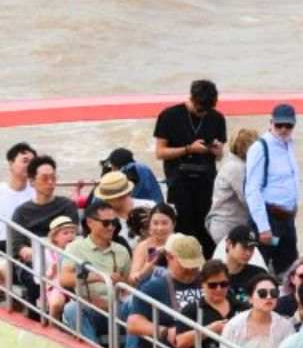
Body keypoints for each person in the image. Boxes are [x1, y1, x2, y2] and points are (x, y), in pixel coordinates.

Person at [153, 80, 226, 256]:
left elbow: (220, 155)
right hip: (179, 183)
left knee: (207, 231)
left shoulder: (216, 118)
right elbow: (160, 152)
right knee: (184, 231)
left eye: (207, 111)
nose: (203, 114)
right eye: (200, 110)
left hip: (207, 182)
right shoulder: (169, 115)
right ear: (191, 99)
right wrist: (188, 149)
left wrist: (217, 150)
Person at [125, 233, 206, 348]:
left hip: (207, 346)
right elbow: (133, 323)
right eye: (185, 265)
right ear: (169, 257)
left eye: (194, 265)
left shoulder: (209, 282)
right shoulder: (153, 287)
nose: (190, 270)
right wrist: (164, 331)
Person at [173, 259, 245, 348]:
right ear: (203, 285)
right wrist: (210, 330)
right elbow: (180, 342)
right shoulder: (192, 310)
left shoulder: (242, 308)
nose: (219, 289)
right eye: (212, 285)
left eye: (223, 284)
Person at [59, 202, 130, 343]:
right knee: (72, 309)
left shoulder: (122, 250)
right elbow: (65, 279)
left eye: (114, 222)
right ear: (90, 223)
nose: (111, 227)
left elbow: (130, 285)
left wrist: (120, 282)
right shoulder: (75, 248)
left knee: (137, 305)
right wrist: (97, 277)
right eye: (106, 223)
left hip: (116, 306)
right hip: (89, 306)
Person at [244, 103, 301, 273]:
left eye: (288, 125)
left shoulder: (289, 144)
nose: (283, 129)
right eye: (279, 125)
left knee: (290, 268)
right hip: (269, 218)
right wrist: (263, 227)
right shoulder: (260, 148)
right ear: (271, 123)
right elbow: (252, 189)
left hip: (287, 218)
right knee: (259, 268)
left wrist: (294, 206)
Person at [10, 154, 79, 281]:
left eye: (53, 178)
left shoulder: (67, 205)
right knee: (33, 278)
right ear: (32, 181)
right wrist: (30, 252)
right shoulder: (21, 212)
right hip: (34, 259)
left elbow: (74, 236)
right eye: (45, 178)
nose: (50, 182)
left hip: (64, 256)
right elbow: (17, 246)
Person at [206, 128, 259, 246]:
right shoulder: (237, 168)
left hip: (230, 224)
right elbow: (248, 199)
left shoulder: (235, 164)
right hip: (227, 226)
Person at [90, 171, 153, 246]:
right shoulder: (102, 218)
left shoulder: (149, 207)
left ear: (123, 195)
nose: (105, 201)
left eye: (109, 198)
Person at [127, 204, 177, 285]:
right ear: (149, 225)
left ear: (173, 224)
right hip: (148, 291)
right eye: (155, 223)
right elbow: (132, 279)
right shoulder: (143, 246)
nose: (159, 228)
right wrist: (150, 263)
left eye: (164, 223)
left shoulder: (181, 242)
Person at [42, 216, 80, 322]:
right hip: (56, 284)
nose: (70, 235)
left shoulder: (78, 251)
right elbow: (42, 275)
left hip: (74, 284)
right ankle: (52, 326)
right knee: (56, 303)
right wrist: (52, 271)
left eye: (72, 232)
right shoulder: (48, 252)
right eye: (65, 233)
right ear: (55, 237)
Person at [222, 224, 268, 311]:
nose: (248, 253)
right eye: (244, 247)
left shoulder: (259, 275)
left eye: (251, 248)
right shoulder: (215, 274)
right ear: (229, 244)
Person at [0, 142, 35, 252]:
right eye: (25, 161)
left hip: (28, 246)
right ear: (11, 163)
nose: (29, 166)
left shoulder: (38, 192)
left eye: (33, 162)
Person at [99, 147, 164, 205]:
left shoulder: (130, 172)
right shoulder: (140, 166)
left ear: (115, 166)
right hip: (157, 202)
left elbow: (123, 196)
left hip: (147, 204)